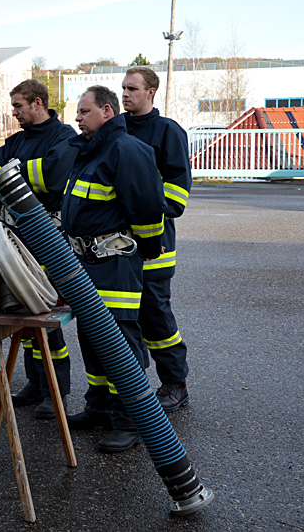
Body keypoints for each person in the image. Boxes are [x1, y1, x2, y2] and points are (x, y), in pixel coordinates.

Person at [38, 85, 165, 453]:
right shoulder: (91, 151)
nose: (76, 118)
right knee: (93, 338)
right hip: (87, 262)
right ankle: (99, 408)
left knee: (120, 342)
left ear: (107, 112)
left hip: (115, 263)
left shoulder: (126, 150)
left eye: (83, 111)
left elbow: (147, 208)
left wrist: (143, 248)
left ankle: (130, 419)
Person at [0, 79, 76, 420]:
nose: (15, 112)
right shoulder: (16, 141)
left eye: (19, 106)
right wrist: (8, 175)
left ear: (38, 103)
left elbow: (53, 177)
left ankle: (57, 392)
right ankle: (36, 384)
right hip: (14, 234)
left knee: (45, 314)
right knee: (23, 313)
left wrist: (12, 174)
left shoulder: (63, 137)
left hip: (47, 234)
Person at [122, 67, 192, 412]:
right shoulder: (114, 130)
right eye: (122, 88)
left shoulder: (168, 132)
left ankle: (175, 383)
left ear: (151, 92)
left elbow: (177, 191)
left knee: (155, 317)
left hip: (155, 244)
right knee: (122, 319)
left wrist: (142, 206)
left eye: (132, 89)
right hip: (117, 245)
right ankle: (133, 389)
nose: (125, 95)